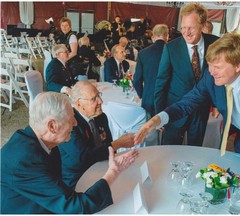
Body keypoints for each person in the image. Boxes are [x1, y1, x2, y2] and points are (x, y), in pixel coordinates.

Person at [134, 33, 240, 198]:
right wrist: (158, 119)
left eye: (218, 67)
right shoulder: (211, 76)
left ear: (238, 65)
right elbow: (188, 102)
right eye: (209, 65)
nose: (212, 71)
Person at [1, 92, 138, 213]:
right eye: (70, 119)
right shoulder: (24, 160)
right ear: (52, 126)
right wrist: (113, 172)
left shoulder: (42, 140)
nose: (75, 124)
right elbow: (75, 207)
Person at [154, 3, 219, 146]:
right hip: (175, 110)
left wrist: (216, 103)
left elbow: (218, 77)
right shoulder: (171, 48)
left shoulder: (215, 44)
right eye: (183, 27)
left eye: (191, 27)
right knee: (169, 153)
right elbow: (161, 82)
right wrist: (159, 114)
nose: (186, 32)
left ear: (202, 25)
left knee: (195, 152)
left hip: (201, 111)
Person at [58, 80, 137, 188]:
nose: (101, 101)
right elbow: (84, 158)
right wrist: (118, 143)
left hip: (102, 170)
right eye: (94, 98)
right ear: (78, 103)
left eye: (99, 95)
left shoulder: (101, 117)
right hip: (78, 179)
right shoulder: (70, 124)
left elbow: (108, 148)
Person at [133, 24, 169, 118]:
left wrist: (142, 94)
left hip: (148, 97)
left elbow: (137, 80)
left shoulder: (143, 53)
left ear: (153, 37)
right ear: (167, 37)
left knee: (149, 129)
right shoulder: (173, 52)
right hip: (167, 99)